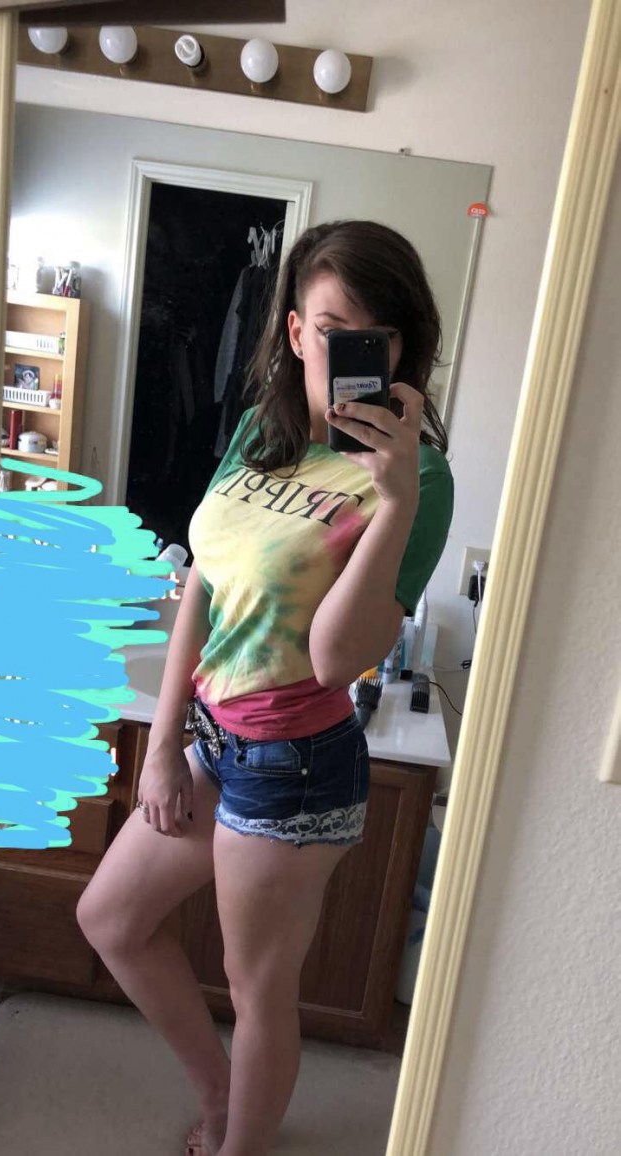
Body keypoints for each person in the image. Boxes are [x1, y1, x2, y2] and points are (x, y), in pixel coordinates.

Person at [77, 220, 454, 1156]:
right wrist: (163, 745)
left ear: (402, 349)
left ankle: (239, 1139)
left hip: (295, 762)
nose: (349, 355)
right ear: (293, 332)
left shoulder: (419, 479)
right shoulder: (260, 431)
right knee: (110, 918)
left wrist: (394, 504)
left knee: (258, 990)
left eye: (374, 337)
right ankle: (220, 1090)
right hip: (211, 738)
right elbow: (203, 584)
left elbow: (334, 659)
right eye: (330, 331)